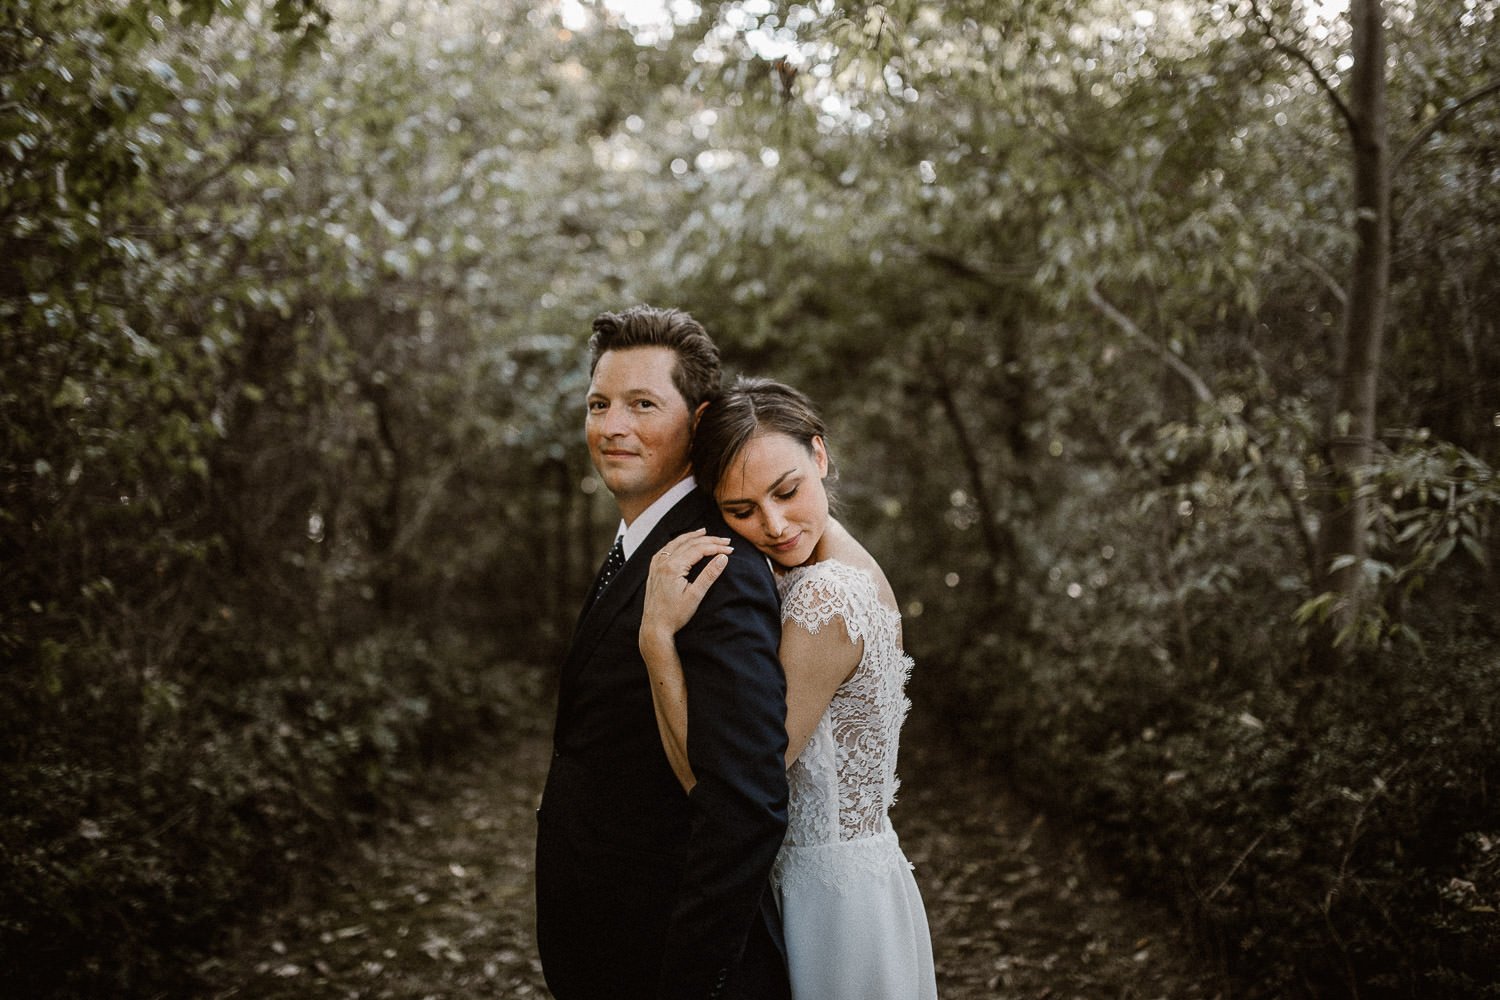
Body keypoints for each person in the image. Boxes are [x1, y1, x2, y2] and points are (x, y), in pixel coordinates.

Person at [640, 377, 938, 1000]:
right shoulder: (834, 566)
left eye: (788, 491)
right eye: (740, 510)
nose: (774, 525)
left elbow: (728, 790)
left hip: (829, 904)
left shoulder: (829, 597)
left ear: (820, 456)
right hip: (849, 883)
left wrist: (656, 643)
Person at [534, 308, 792, 1000]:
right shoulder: (640, 542)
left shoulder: (716, 566)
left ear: (700, 421)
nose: (611, 426)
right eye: (598, 404)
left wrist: (688, 984)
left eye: (642, 404)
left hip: (662, 964)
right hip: (603, 948)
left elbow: (747, 807)